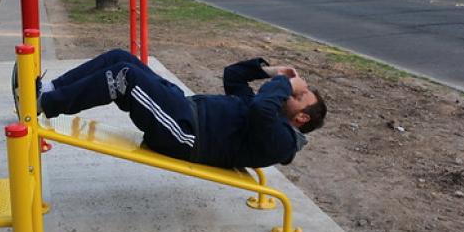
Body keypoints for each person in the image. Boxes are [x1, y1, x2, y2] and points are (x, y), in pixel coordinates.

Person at [32, 49, 326, 169]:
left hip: (185, 135)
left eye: (299, 97)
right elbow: (232, 76)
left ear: (301, 117)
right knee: (122, 57)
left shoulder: (284, 141)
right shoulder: (267, 109)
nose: (291, 93)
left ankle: (44, 104)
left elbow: (261, 109)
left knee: (125, 77)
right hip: (183, 108)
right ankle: (49, 91)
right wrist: (273, 71)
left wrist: (286, 86)